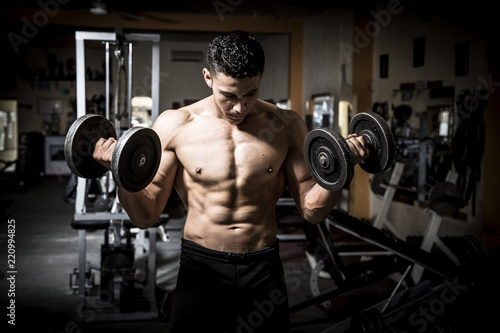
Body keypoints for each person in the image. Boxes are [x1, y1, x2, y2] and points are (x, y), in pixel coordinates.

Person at [93, 30, 368, 332]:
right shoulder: (175, 125)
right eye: (229, 95)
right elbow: (146, 215)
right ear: (208, 77)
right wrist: (119, 172)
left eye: (251, 93)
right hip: (201, 269)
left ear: (261, 77)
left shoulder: (287, 125)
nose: (240, 107)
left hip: (263, 268)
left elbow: (312, 211)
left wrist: (339, 170)